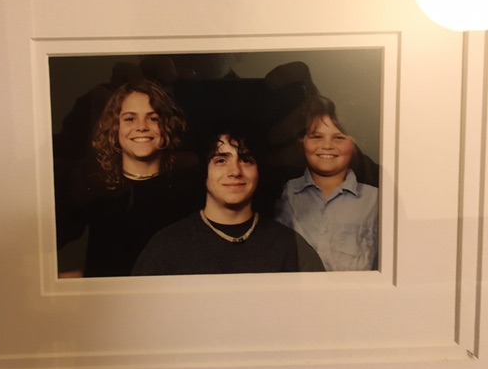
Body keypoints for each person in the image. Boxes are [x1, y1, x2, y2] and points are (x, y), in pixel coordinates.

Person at [55, 79, 199, 277]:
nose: (141, 127)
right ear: (115, 127)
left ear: (168, 125)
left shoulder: (189, 193)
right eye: (130, 118)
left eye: (153, 118)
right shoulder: (92, 191)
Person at [132, 127, 323, 275]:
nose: (235, 171)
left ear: (259, 171)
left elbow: (319, 310)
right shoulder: (167, 246)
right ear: (203, 171)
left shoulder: (290, 247)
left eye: (245, 160)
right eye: (221, 161)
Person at [275, 95, 378, 271]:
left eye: (338, 138)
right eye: (316, 137)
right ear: (302, 141)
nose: (327, 145)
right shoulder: (284, 194)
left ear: (354, 143)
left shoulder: (376, 201)